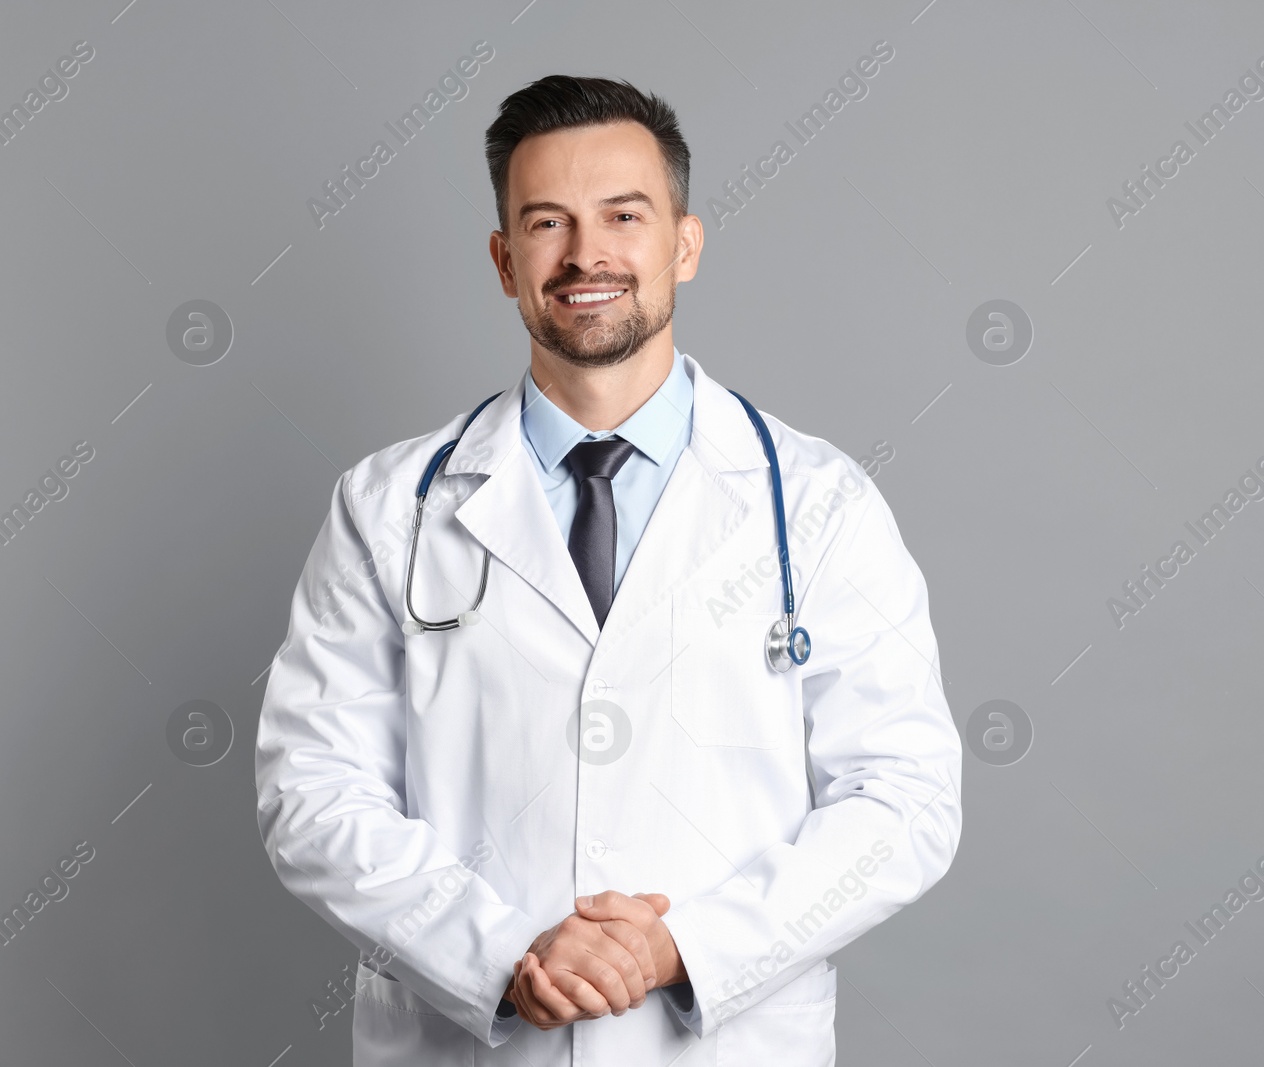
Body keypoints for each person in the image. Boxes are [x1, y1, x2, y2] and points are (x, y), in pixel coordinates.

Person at [255, 74, 962, 1066]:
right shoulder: (388, 506)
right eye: (547, 223)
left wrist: (683, 945)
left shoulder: (815, 504)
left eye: (623, 215)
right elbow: (314, 793)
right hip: (473, 1040)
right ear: (505, 261)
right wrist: (501, 954)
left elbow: (902, 798)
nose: (587, 255)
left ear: (684, 242)